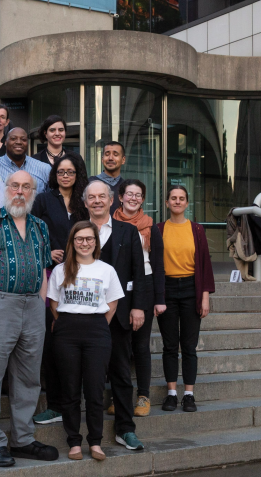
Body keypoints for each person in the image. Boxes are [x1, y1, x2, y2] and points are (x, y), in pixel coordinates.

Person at [0, 171, 59, 468]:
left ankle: (22, 439)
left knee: (29, 378)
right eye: (15, 186)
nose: (20, 191)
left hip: (32, 307)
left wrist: (42, 301)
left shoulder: (40, 226)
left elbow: (46, 267)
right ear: (6, 189)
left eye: (27, 187)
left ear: (34, 191)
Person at [48, 221, 124, 461]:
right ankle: (73, 442)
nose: (84, 243)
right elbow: (53, 302)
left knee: (94, 390)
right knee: (69, 390)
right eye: (79, 239)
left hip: (97, 331)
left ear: (95, 242)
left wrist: (98, 326)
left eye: (89, 239)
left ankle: (95, 442)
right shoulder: (61, 270)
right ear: (72, 242)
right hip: (67, 331)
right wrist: (66, 323)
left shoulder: (106, 270)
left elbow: (112, 304)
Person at [84, 180, 148, 451]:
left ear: (112, 200)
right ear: (85, 202)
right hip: (85, 315)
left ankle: (125, 428)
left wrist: (138, 306)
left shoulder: (128, 231)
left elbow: (139, 272)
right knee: (87, 374)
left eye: (102, 196)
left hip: (120, 315)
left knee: (121, 373)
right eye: (92, 197)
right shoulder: (79, 231)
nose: (97, 201)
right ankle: (84, 433)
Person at [30, 151, 89, 426]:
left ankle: (76, 401)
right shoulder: (43, 199)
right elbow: (31, 233)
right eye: (61, 171)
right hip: (50, 277)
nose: (65, 176)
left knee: (76, 338)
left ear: (78, 174)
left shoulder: (85, 203)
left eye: (70, 172)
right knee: (53, 340)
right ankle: (54, 405)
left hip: (82, 278)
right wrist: (46, 253)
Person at [157, 185, 215, 413]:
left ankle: (188, 395)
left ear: (187, 203)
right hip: (167, 290)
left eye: (182, 198)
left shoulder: (197, 230)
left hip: (192, 288)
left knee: (189, 346)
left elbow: (204, 265)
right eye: (173, 198)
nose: (177, 201)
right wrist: (156, 297)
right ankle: (171, 393)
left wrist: (205, 298)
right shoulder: (159, 229)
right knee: (170, 346)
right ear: (167, 203)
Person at [112, 179, 166, 417]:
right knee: (119, 347)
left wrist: (158, 299)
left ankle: (143, 396)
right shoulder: (109, 223)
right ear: (120, 197)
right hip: (116, 290)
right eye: (129, 194)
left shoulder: (150, 227)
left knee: (141, 346)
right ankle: (120, 395)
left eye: (138, 195)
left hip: (143, 289)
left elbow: (157, 265)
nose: (133, 198)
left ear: (143, 200)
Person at [0, 128, 52, 194]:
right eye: (13, 139)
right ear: (5, 142)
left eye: (23, 139)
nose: (19, 142)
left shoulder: (44, 169)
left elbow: (51, 199)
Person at [89, 141, 126, 213]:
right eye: (107, 154)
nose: (110, 158)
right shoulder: (89, 183)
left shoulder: (127, 187)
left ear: (123, 160)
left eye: (115, 154)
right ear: (102, 159)